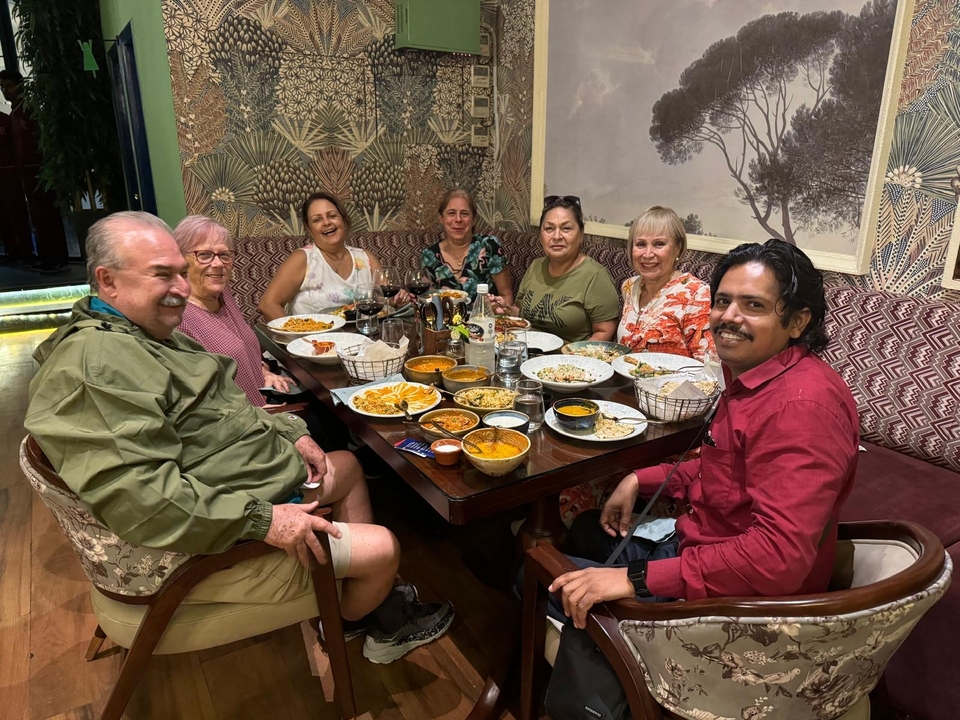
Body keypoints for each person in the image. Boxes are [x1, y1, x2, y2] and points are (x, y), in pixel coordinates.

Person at [24, 212, 454, 664]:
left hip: (236, 479)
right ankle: (358, 621)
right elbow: (144, 500)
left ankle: (352, 610)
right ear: (107, 281)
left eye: (180, 272)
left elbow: (227, 404)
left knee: (345, 465)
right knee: (385, 547)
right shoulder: (99, 366)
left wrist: (292, 433)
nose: (181, 287)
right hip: (215, 527)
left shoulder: (146, 333)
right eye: (163, 274)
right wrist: (265, 521)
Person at [546, 239, 859, 629]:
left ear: (798, 322)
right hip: (697, 544)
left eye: (753, 305)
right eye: (723, 301)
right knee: (588, 529)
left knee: (537, 576)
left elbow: (777, 559)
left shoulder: (801, 407)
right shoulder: (752, 377)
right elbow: (726, 471)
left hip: (734, 603)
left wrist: (633, 580)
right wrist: (638, 478)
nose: (729, 317)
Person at [174, 215, 292, 406]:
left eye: (224, 255)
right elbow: (198, 400)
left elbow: (242, 351)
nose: (218, 264)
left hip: (264, 402)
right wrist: (259, 415)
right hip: (242, 419)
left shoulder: (222, 293)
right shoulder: (178, 319)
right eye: (204, 255)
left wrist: (263, 372)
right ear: (181, 260)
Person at [259, 191, 410, 321]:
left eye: (332, 216)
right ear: (309, 229)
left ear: (343, 220)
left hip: (365, 339)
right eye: (317, 220)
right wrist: (296, 337)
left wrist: (397, 300)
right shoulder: (302, 259)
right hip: (316, 342)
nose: (326, 222)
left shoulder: (366, 258)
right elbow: (268, 304)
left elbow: (388, 298)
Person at [492, 195, 619, 343]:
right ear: (541, 236)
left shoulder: (595, 276)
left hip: (568, 355)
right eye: (549, 228)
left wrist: (573, 355)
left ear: (581, 234)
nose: (557, 236)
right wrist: (506, 309)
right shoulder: (535, 266)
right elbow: (521, 314)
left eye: (566, 228)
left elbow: (604, 332)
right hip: (523, 350)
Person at [618, 205, 714, 360]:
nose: (647, 254)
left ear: (678, 248)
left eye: (659, 244)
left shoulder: (698, 295)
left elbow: (708, 365)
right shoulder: (629, 287)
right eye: (641, 244)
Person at [0, 69, 69, 272]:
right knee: (38, 215)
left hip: (41, 170)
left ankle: (57, 258)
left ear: (20, 86)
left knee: (46, 213)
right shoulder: (15, 113)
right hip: (26, 172)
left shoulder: (30, 110)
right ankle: (48, 256)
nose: (5, 91)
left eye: (9, 86)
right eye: (2, 87)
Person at [420, 188, 513, 303]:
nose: (458, 219)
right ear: (441, 218)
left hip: (486, 314)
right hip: (445, 315)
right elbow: (427, 300)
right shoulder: (429, 256)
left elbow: (506, 296)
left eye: (464, 214)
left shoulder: (489, 246)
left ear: (473, 219)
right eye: (451, 213)